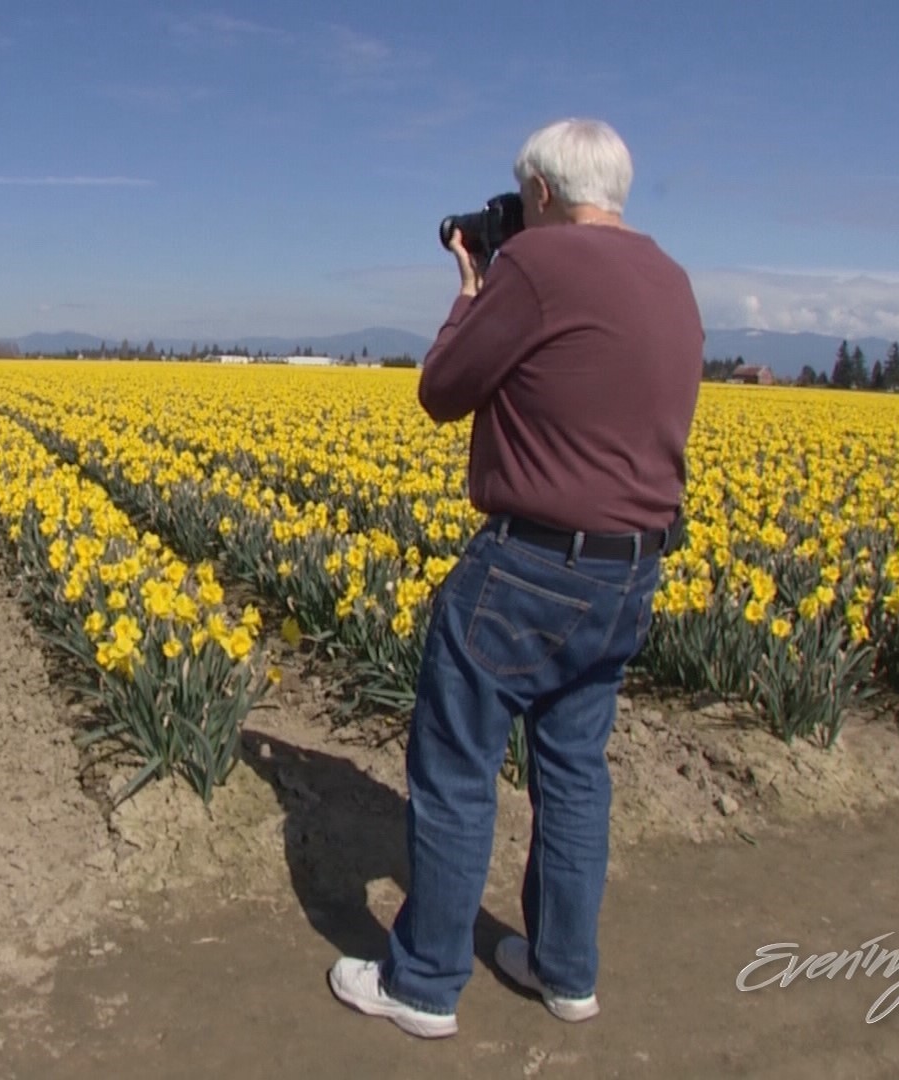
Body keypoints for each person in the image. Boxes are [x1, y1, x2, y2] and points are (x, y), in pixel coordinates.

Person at [327, 118, 703, 1038]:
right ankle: (564, 971)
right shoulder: (673, 277)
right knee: (573, 771)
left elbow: (443, 390)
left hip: (529, 567)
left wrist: (472, 289)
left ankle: (422, 984)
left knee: (456, 769)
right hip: (630, 574)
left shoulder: (538, 269)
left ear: (540, 191)